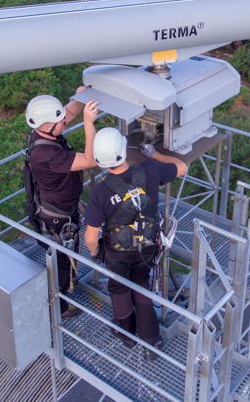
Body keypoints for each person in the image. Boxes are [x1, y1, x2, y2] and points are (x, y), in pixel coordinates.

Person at [83, 127, 188, 356]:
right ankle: (151, 341)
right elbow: (182, 167)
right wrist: (155, 155)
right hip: (147, 247)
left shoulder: (101, 192)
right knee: (140, 282)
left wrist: (95, 254)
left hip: (117, 252)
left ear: (101, 160)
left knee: (119, 286)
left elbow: (90, 237)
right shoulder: (150, 170)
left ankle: (126, 333)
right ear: (124, 151)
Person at [25, 89, 99, 319]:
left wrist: (82, 96)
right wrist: (89, 124)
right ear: (49, 126)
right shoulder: (46, 154)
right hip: (57, 216)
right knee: (63, 259)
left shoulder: (42, 133)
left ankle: (69, 280)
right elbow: (90, 160)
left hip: (61, 208)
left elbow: (67, 112)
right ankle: (62, 306)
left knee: (68, 253)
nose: (65, 122)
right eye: (60, 122)